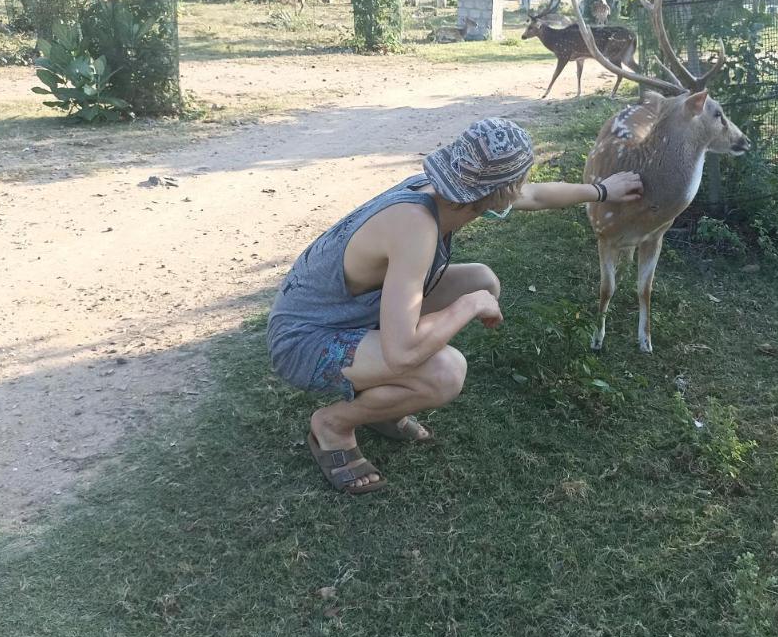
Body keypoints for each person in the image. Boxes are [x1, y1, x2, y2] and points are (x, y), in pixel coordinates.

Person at [268, 118, 644, 494]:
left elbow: (535, 196)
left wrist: (601, 190)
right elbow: (400, 353)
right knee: (445, 372)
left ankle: (383, 405)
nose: (519, 194)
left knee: (481, 278)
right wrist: (468, 306)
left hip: (347, 313)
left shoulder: (444, 193)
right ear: (499, 193)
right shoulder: (415, 227)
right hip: (303, 341)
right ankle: (334, 425)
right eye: (515, 187)